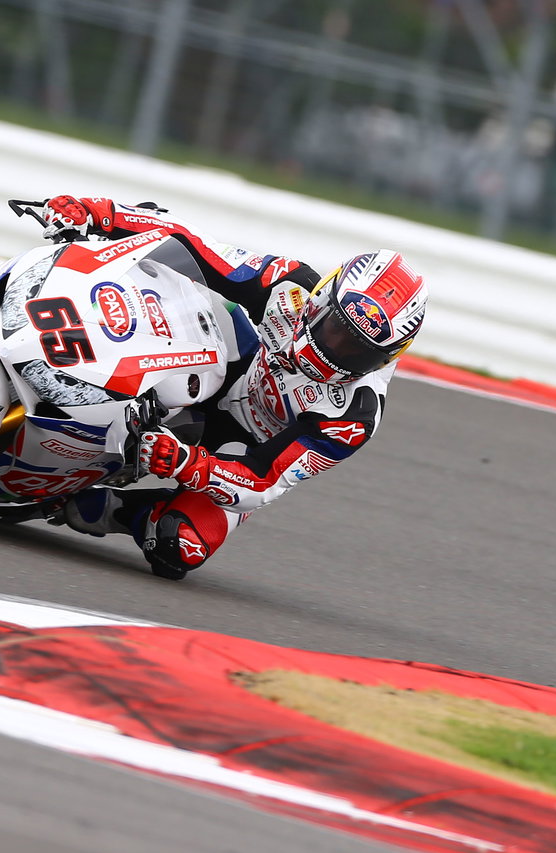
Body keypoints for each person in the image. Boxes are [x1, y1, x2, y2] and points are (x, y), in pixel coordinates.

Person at [35, 195, 429, 579]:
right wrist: (102, 215)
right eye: (335, 329)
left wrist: (188, 463)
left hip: (244, 448)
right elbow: (197, 248)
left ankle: (105, 507)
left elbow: (264, 479)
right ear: (322, 299)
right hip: (227, 363)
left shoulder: (354, 414)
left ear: (387, 356)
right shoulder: (289, 286)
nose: (334, 351)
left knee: (181, 546)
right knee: (168, 288)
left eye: (357, 352)